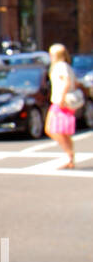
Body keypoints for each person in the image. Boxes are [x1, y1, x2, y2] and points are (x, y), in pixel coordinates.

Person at [45, 42, 78, 170]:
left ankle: (69, 155)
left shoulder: (60, 66)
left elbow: (66, 82)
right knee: (62, 131)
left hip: (60, 101)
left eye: (51, 54)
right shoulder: (66, 66)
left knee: (52, 129)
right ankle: (70, 157)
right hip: (62, 101)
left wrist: (62, 98)